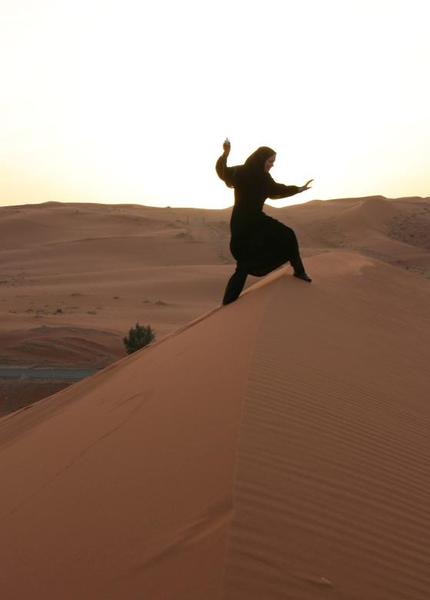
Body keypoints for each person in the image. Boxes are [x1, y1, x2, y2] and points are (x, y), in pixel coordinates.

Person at [216, 138, 313, 305]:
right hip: (242, 224)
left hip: (256, 220)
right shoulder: (241, 173)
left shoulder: (264, 178)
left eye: (273, 161)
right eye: (270, 161)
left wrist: (298, 189)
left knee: (287, 235)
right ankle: (227, 304)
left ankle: (299, 271)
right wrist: (225, 153)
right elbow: (221, 171)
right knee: (244, 262)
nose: (272, 165)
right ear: (261, 160)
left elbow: (278, 189)